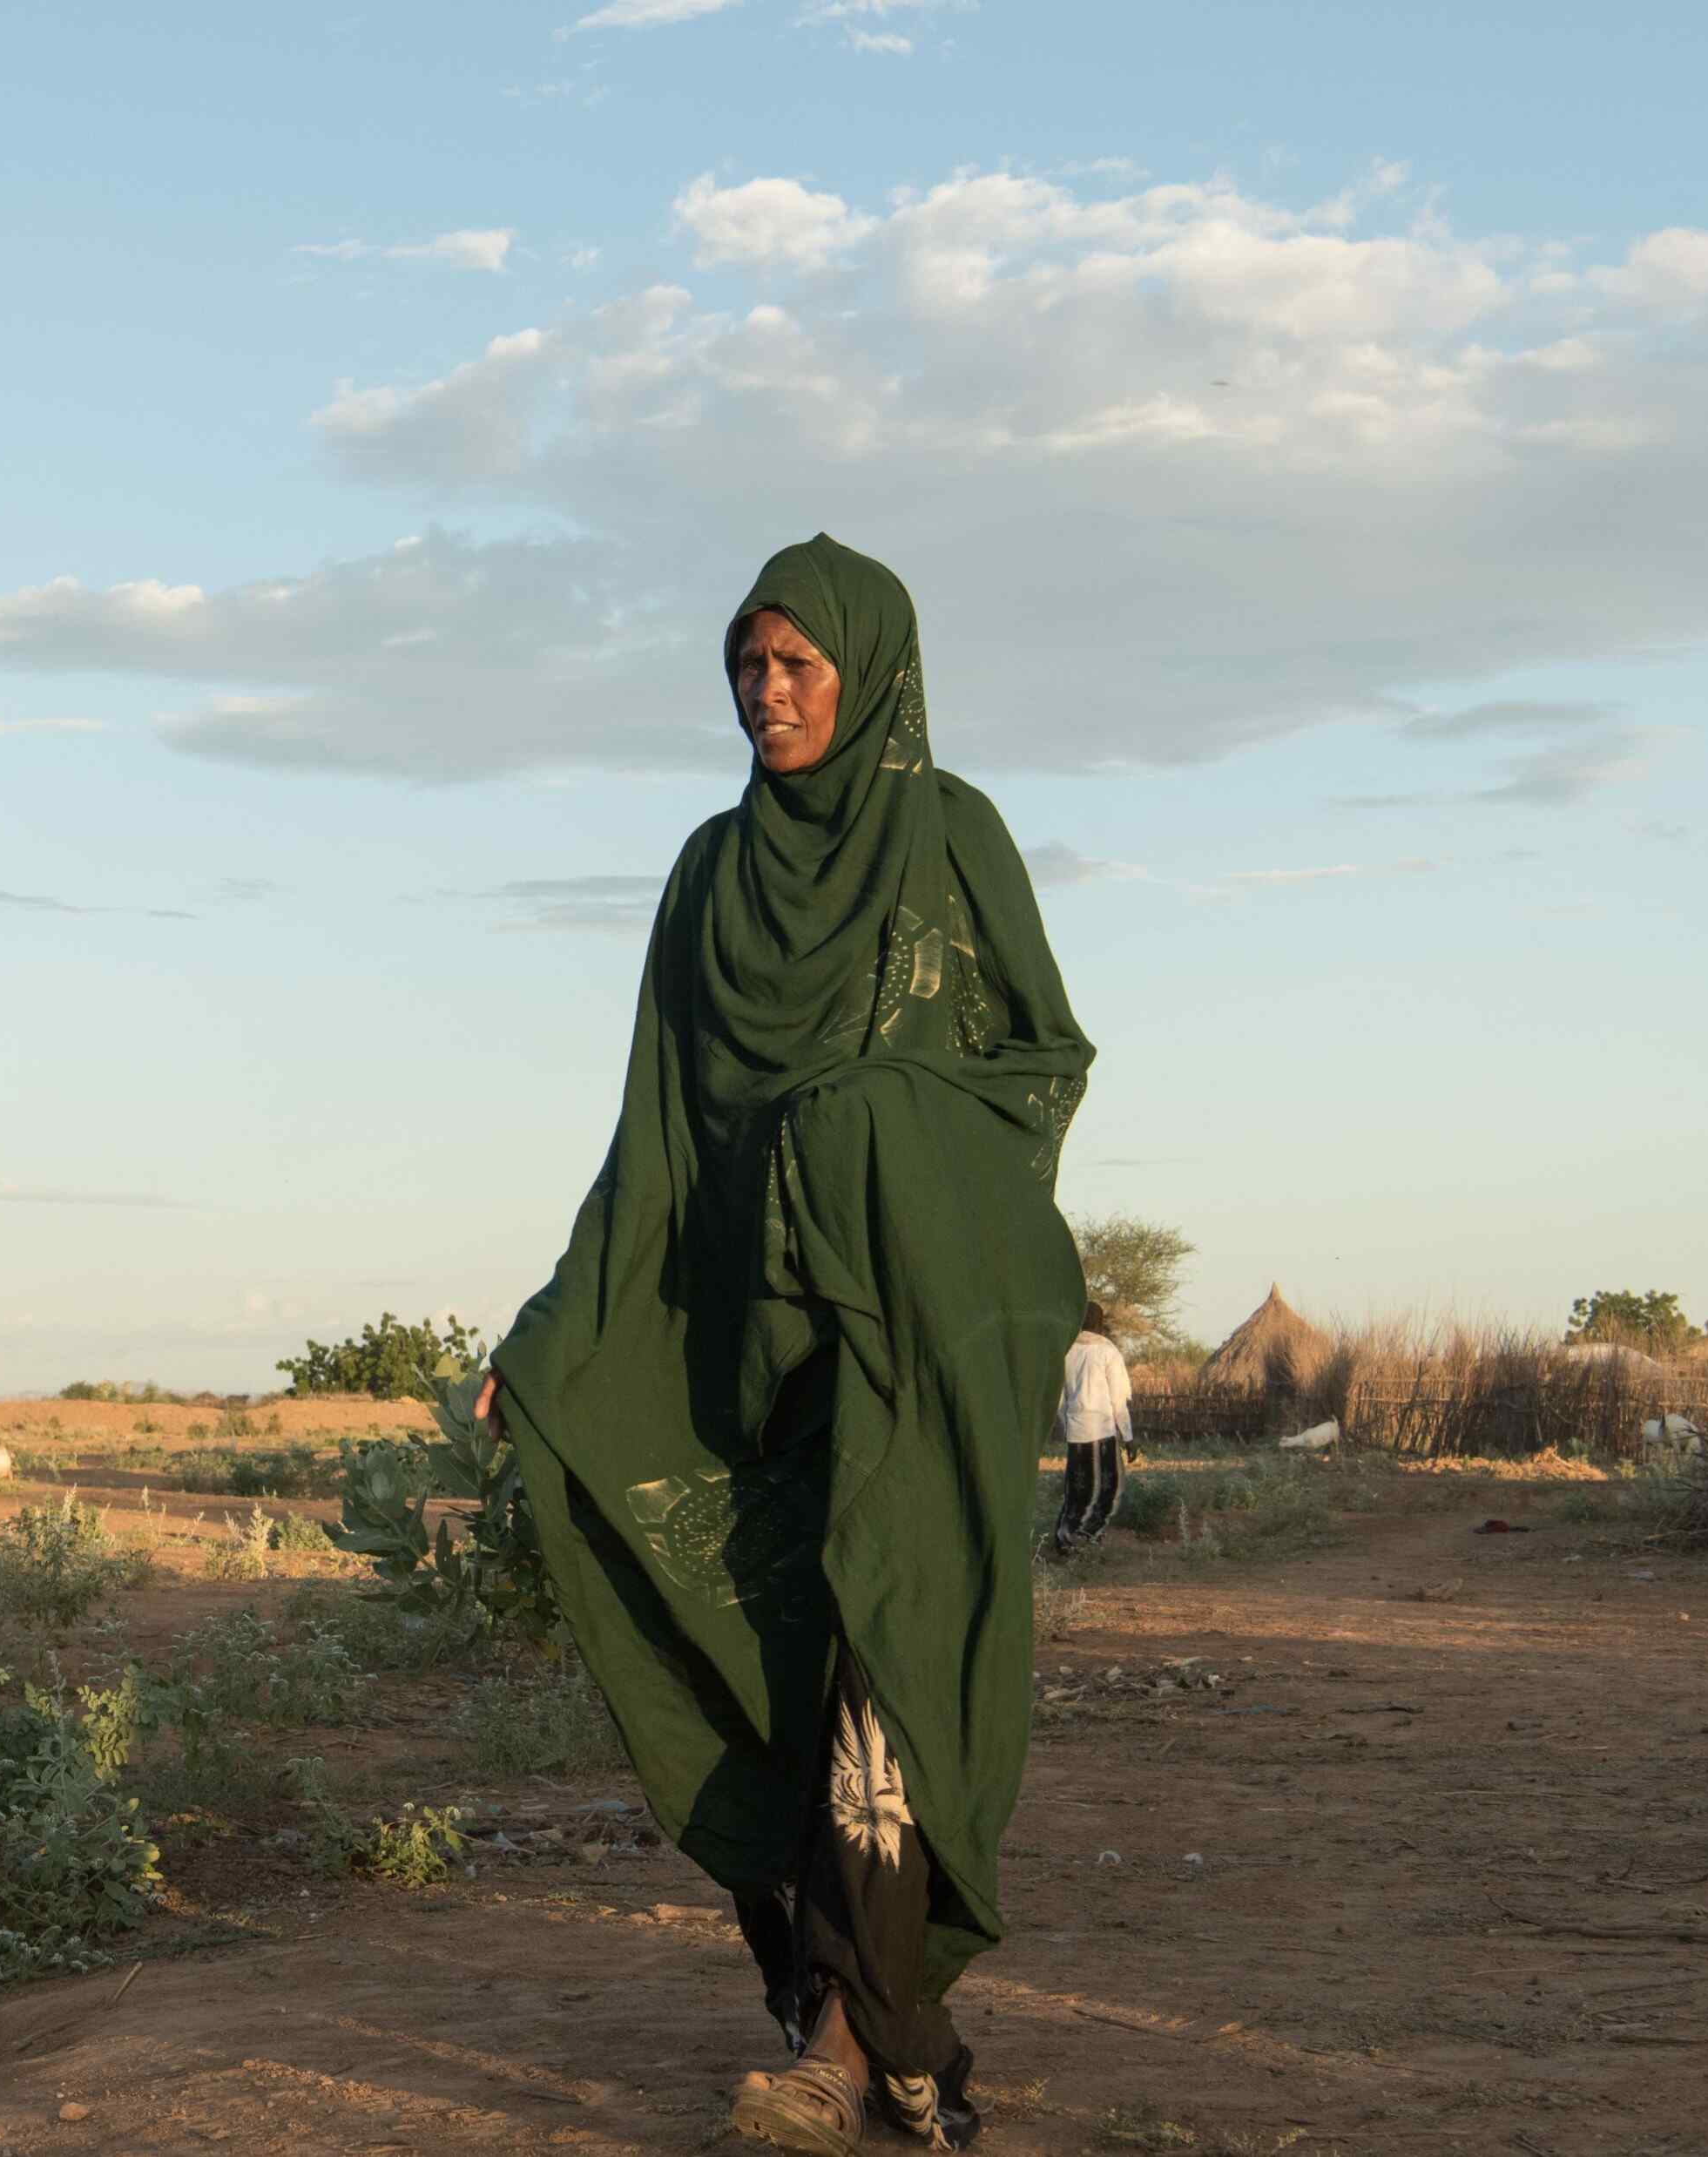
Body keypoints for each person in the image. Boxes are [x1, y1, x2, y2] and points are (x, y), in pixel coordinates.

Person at [474, 532, 1091, 2154]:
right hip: (739, 1344)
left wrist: (874, 1119)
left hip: (904, 1323)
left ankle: (832, 2051)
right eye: (746, 666)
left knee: (888, 1659)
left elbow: (1038, 1064)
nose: (766, 692)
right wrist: (547, 1334)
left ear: (870, 668)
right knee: (777, 1664)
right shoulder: (704, 873)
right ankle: (885, 2030)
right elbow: (651, 1138)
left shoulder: (951, 840)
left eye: (796, 664)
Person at [1053, 1302, 1136, 1555]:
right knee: (1109, 1487)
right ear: (1100, 1323)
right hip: (1102, 1429)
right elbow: (1118, 1399)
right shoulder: (1106, 1351)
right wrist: (1128, 1437)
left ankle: (1065, 1536)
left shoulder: (1065, 1349)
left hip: (1077, 1430)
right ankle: (1087, 1536)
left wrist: (1068, 1425)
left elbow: (1058, 1399)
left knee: (1077, 1488)